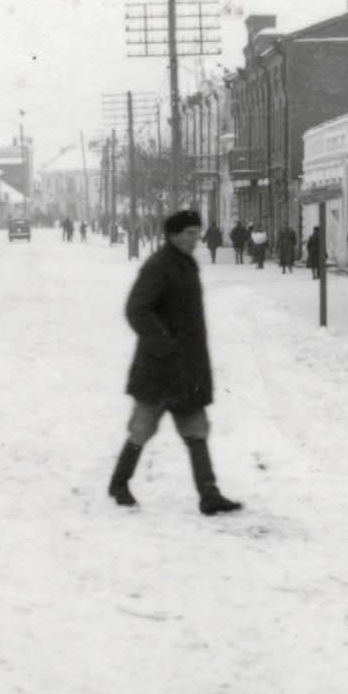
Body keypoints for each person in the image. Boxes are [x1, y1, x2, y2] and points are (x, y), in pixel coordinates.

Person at [107, 210, 243, 516]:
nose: (196, 239)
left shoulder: (184, 265)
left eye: (197, 233)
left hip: (186, 369)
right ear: (174, 235)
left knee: (196, 428)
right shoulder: (159, 266)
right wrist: (164, 344)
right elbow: (136, 309)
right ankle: (118, 484)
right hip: (159, 368)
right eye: (190, 234)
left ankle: (209, 494)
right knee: (142, 428)